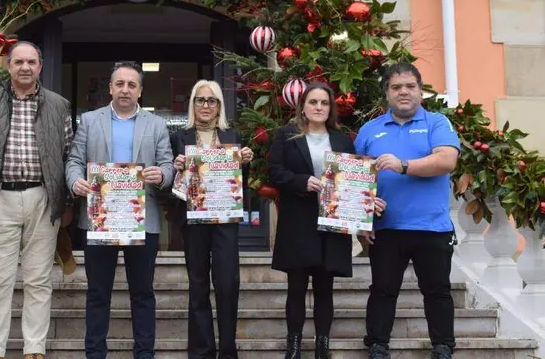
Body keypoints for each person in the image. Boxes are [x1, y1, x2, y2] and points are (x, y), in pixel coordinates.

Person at [0, 41, 74, 359]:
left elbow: (69, 156)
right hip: (0, 196)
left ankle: (34, 349)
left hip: (43, 197)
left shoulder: (58, 104)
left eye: (31, 62)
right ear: (8, 66)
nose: (25, 67)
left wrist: (65, 204)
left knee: (39, 279)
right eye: (18, 62)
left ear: (40, 66)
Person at [267, 83, 385, 359]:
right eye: (313, 102)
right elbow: (275, 172)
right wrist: (300, 181)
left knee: (325, 288)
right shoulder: (286, 136)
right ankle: (293, 346)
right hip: (297, 222)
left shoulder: (343, 141)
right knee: (296, 287)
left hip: (332, 224)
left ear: (330, 108)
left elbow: (355, 180)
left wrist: (366, 205)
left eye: (324, 103)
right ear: (303, 107)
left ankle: (323, 346)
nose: (318, 107)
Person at [66, 61, 174, 359]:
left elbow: (167, 164)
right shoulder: (89, 121)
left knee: (143, 294)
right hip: (99, 220)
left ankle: (144, 354)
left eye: (132, 85)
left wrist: (163, 175)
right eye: (120, 84)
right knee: (98, 294)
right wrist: (75, 181)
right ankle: (95, 354)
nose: (125, 89)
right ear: (110, 87)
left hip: (142, 220)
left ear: (140, 91)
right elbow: (74, 160)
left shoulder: (157, 125)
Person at [354, 63, 460, 359]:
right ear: (387, 93)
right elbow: (355, 181)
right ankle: (377, 344)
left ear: (420, 91)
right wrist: (362, 218)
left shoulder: (438, 123)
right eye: (396, 87)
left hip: (432, 226)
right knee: (383, 290)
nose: (403, 92)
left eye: (410, 86)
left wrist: (403, 165)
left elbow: (446, 160)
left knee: (437, 291)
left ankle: (442, 347)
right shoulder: (369, 130)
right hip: (387, 228)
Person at [169, 80, 253, 359]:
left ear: (219, 106)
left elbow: (242, 185)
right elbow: (172, 187)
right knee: (198, 285)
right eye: (200, 100)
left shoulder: (233, 137)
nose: (206, 105)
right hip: (193, 220)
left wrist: (246, 163)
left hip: (225, 221)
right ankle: (202, 351)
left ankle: (228, 350)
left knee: (228, 283)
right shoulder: (179, 137)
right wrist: (176, 168)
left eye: (212, 100)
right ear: (192, 104)